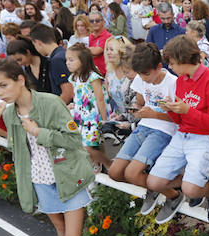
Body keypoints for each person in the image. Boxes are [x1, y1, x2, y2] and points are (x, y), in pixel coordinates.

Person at [0, 57, 96, 236]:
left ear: (20, 79)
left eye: (3, 85)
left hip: (67, 175)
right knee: (60, 229)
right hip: (40, 177)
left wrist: (39, 132)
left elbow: (73, 140)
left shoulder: (51, 102)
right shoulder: (10, 112)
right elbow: (18, 149)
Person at [144, 36, 209, 224]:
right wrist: (172, 110)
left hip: (208, 137)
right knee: (154, 182)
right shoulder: (181, 81)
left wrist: (187, 111)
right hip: (183, 134)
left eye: (173, 63)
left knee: (191, 190)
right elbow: (180, 120)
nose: (170, 68)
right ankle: (197, 182)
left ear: (183, 60)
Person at [107, 43, 177, 188]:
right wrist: (136, 110)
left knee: (132, 173)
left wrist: (155, 114)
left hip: (163, 131)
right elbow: (140, 103)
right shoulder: (141, 78)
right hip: (143, 127)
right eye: (139, 74)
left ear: (158, 67)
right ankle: (154, 186)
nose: (143, 78)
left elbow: (179, 119)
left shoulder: (173, 83)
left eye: (146, 74)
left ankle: (172, 195)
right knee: (114, 172)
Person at [66, 43, 111, 172]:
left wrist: (104, 119)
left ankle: (106, 164)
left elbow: (100, 98)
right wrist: (75, 104)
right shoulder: (74, 77)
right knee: (82, 146)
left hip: (93, 116)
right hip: (81, 116)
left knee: (89, 147)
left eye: (71, 59)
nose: (67, 63)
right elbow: (79, 95)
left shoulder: (92, 76)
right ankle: (94, 168)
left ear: (83, 60)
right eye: (67, 60)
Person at [29, 24, 73, 104]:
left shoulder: (57, 60)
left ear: (38, 43)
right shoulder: (62, 53)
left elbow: (68, 93)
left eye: (34, 45)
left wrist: (53, 110)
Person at [86, 11, 113, 76]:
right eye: (91, 21)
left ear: (103, 22)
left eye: (97, 20)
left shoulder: (108, 36)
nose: (94, 23)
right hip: (90, 74)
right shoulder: (89, 36)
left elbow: (96, 51)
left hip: (103, 75)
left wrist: (86, 50)